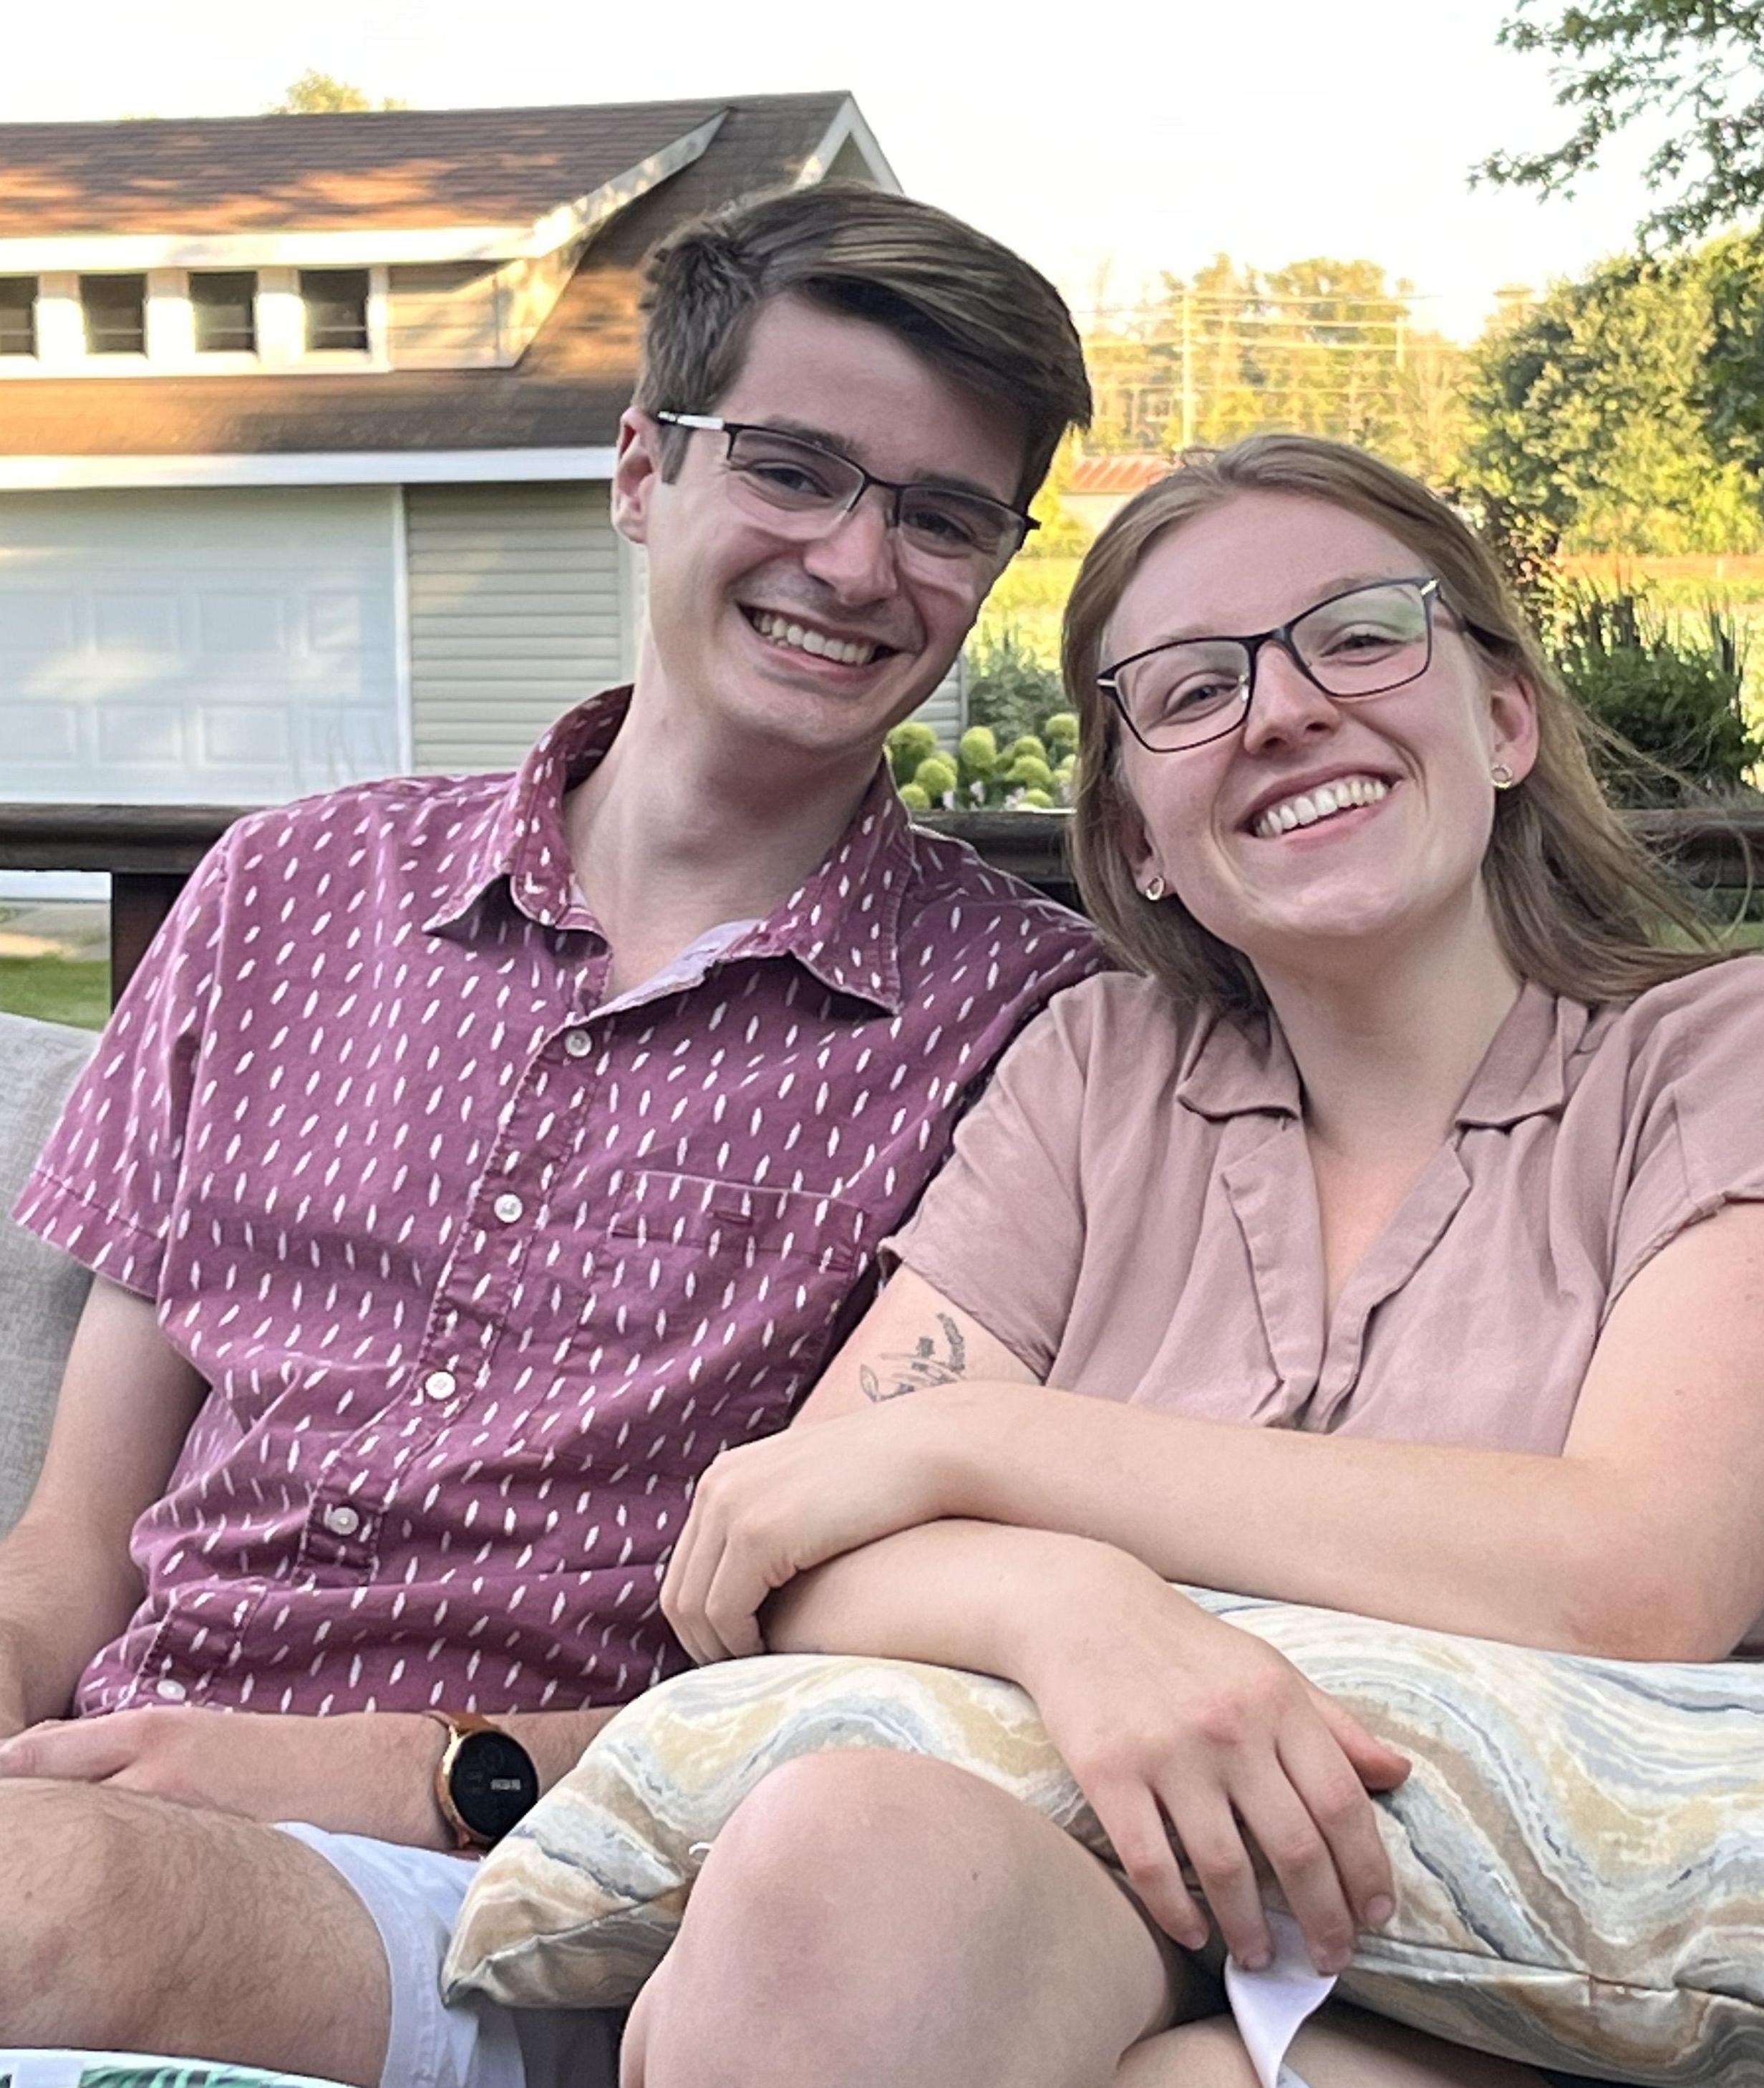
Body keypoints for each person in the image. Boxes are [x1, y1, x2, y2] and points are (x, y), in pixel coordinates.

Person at [627, 435, 1764, 2088]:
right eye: (1194, 690)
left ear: (1504, 720)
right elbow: (790, 1542)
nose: (1282, 711)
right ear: (1138, 833)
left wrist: (989, 1442)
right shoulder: (1095, 1079)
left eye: (1358, 636)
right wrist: (1072, 1609)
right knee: (835, 1867)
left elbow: (1635, 1576)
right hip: (1128, 1891)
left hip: (1563, 1989)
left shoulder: (1743, 1053)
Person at [0, 184, 1100, 2088]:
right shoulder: (283, 894)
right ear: (641, 470)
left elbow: (882, 1689)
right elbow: (69, 1552)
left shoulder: (1030, 1035)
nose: (856, 563)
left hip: (549, 1890)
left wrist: (404, 1774)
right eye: (794, 470)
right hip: (103, 1790)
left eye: (941, 516)